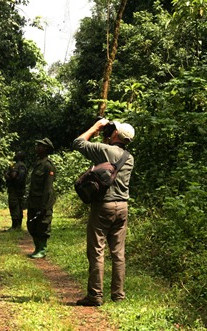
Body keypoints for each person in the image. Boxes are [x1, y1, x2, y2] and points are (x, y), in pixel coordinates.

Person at [72, 118, 135, 306]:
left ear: (115, 134)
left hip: (103, 206)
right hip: (122, 207)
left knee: (97, 251)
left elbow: (78, 143)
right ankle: (118, 295)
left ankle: (95, 295)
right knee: (118, 253)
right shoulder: (130, 158)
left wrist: (96, 127)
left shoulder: (104, 150)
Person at [26, 138, 56, 259]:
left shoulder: (48, 166)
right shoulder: (38, 163)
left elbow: (48, 188)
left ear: (46, 149)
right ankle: (37, 248)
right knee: (31, 224)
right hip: (34, 200)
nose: (37, 147)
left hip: (43, 201)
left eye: (40, 146)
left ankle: (42, 249)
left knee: (43, 225)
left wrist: (44, 206)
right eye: (37, 145)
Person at [5, 151, 27, 231]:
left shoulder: (16, 166)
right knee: (20, 206)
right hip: (21, 189)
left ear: (18, 157)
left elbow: (13, 176)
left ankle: (14, 226)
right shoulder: (24, 166)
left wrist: (7, 175)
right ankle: (19, 226)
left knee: (14, 206)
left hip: (14, 189)